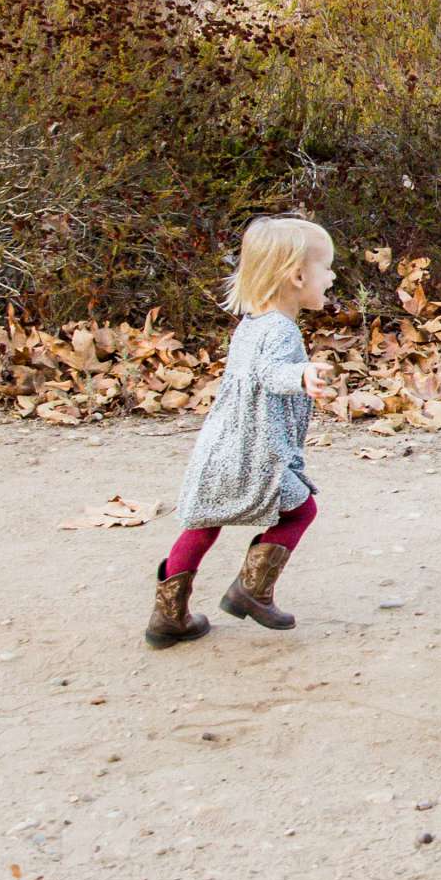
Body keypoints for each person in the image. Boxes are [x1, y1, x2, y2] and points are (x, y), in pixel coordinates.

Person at [148, 216, 339, 650]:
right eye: (326, 267)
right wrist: (302, 375)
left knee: (203, 524)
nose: (331, 277)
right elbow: (271, 373)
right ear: (296, 275)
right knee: (301, 510)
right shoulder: (280, 330)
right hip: (255, 451)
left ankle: (168, 614)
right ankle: (251, 590)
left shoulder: (251, 324)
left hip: (221, 445)